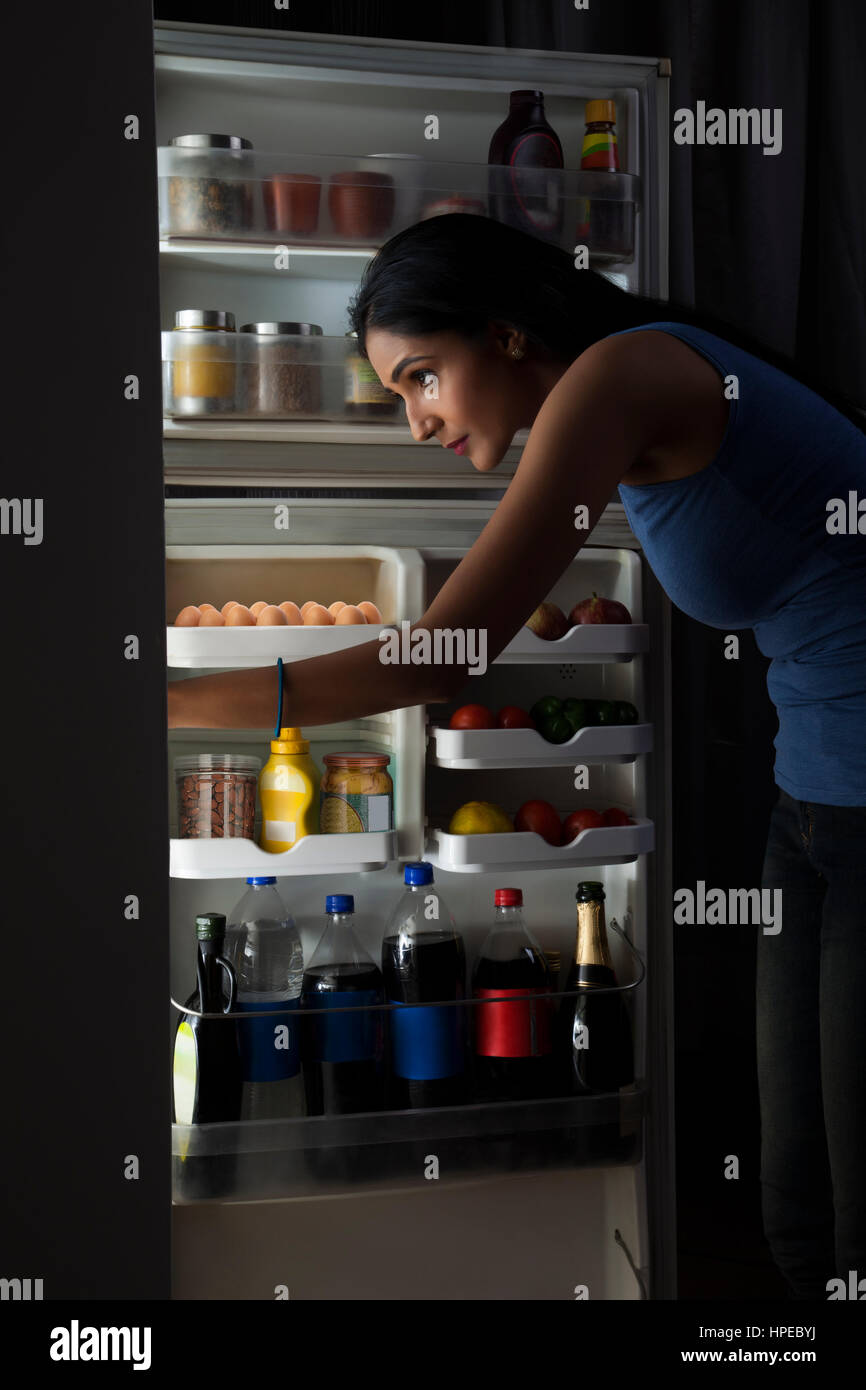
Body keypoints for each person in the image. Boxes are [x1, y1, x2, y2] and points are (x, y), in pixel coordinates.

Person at [168, 213, 866, 1298]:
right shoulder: (614, 385)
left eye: (420, 378)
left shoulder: (616, 376)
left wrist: (167, 698)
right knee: (797, 1197)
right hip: (814, 797)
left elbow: (440, 655)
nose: (415, 421)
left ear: (501, 336)